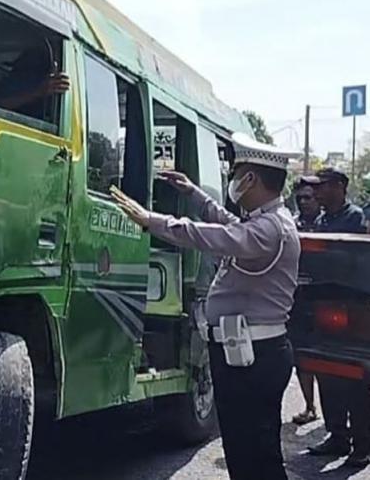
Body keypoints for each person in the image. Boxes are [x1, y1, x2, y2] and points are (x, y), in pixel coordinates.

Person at [111, 132, 299, 480]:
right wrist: (192, 192)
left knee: (256, 455)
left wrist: (151, 220)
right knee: (245, 452)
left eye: (236, 172)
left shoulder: (271, 230)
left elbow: (211, 235)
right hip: (244, 354)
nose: (232, 180)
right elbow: (228, 223)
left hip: (253, 358)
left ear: (250, 178)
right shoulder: (266, 221)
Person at [303, 167, 370, 467]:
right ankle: (337, 436)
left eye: (323, 186)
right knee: (326, 372)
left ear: (341, 187)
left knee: (356, 377)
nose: (316, 192)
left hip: (353, 309)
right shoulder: (320, 221)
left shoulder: (356, 219)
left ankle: (362, 443)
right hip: (322, 308)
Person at [290, 180, 320, 425]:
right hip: (298, 300)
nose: (304, 202)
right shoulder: (292, 223)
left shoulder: (328, 223)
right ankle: (310, 406)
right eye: (300, 198)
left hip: (325, 300)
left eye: (308, 197)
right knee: (301, 358)